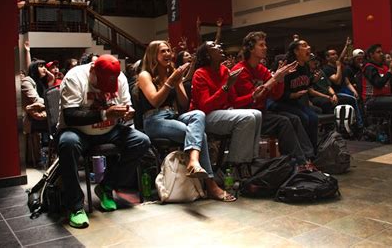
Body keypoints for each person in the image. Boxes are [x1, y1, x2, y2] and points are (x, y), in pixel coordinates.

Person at [58, 54, 150, 228]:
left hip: (110, 130)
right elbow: (70, 116)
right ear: (92, 69)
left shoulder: (120, 78)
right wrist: (105, 113)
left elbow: (127, 105)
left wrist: (127, 112)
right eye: (101, 85)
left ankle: (106, 187)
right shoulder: (74, 77)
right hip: (78, 132)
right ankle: (76, 205)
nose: (104, 89)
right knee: (67, 144)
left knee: (141, 141)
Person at [137, 40, 235, 201]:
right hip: (154, 119)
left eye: (169, 51)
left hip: (173, 115)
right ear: (153, 54)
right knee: (198, 135)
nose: (168, 54)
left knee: (198, 114)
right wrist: (170, 82)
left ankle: (194, 162)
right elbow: (155, 101)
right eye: (163, 51)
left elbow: (183, 103)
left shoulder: (172, 72)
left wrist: (177, 82)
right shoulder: (144, 75)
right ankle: (210, 184)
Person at [231, 31, 315, 170]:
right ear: (251, 48)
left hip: (262, 112)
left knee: (294, 119)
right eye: (261, 45)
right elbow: (251, 99)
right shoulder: (240, 70)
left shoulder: (261, 69)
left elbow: (275, 95)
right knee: (284, 121)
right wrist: (275, 79)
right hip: (247, 116)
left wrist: (280, 80)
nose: (265, 47)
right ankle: (300, 162)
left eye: (265, 44)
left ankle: (307, 158)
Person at [191, 41, 262, 178]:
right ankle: (233, 165)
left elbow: (234, 101)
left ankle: (249, 161)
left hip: (223, 113)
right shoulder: (200, 74)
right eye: (214, 47)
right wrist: (225, 87)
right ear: (207, 55)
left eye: (219, 45)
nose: (219, 47)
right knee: (247, 118)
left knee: (257, 114)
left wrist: (252, 96)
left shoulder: (224, 71)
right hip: (204, 116)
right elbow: (205, 106)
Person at [270, 39, 319, 153]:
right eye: (304, 46)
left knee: (313, 118)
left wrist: (312, 80)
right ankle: (302, 153)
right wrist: (292, 95)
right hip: (279, 102)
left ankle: (313, 152)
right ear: (296, 51)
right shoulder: (287, 66)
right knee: (304, 118)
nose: (309, 48)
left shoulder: (305, 67)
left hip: (294, 102)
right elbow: (277, 92)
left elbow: (304, 84)